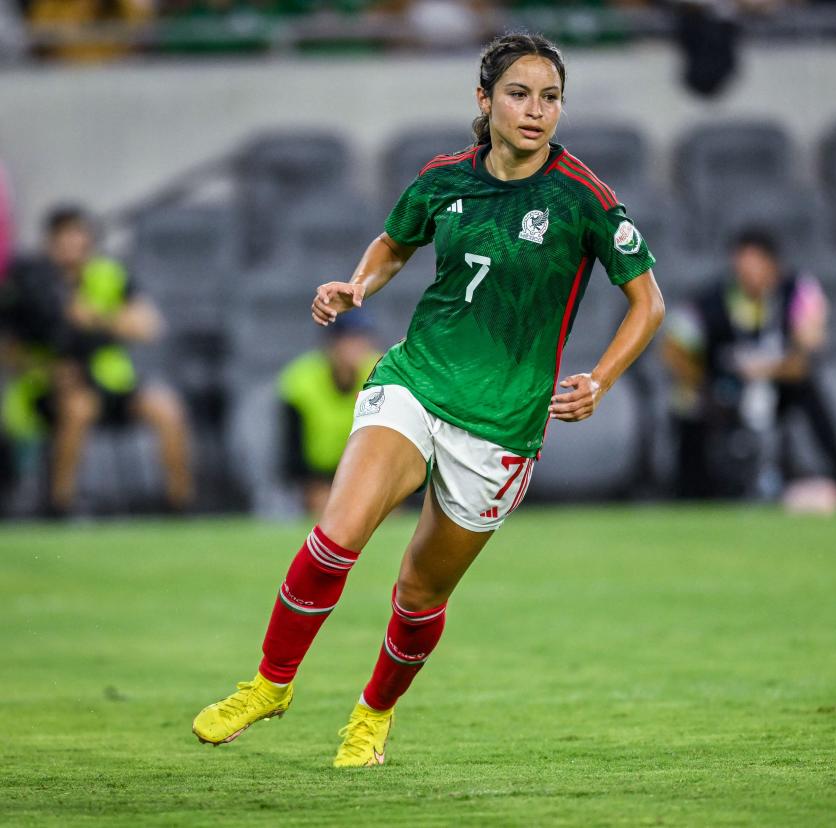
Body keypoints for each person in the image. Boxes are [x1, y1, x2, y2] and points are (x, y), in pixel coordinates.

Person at [191, 32, 664, 768]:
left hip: (503, 423)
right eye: (519, 93)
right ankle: (269, 683)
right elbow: (393, 242)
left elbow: (648, 304)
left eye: (550, 97)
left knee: (418, 593)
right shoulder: (444, 178)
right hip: (416, 381)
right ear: (484, 101)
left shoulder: (585, 199)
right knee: (338, 533)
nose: (535, 111)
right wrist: (358, 286)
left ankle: (372, 716)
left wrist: (600, 378)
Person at [0, 206, 194, 515]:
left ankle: (179, 505)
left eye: (78, 236)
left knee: (166, 406)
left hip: (113, 384)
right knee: (79, 408)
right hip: (51, 388)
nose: (73, 246)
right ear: (50, 243)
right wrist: (48, 370)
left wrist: (94, 317)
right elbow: (9, 350)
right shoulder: (29, 283)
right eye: (64, 238)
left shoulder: (108, 275)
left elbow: (149, 326)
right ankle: (61, 505)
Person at [662, 227, 836, 503]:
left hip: (780, 383)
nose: (748, 275)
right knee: (686, 404)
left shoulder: (798, 291)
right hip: (725, 387)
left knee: (810, 393)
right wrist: (700, 382)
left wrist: (769, 370)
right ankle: (691, 495)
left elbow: (809, 352)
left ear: (773, 264)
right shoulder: (712, 299)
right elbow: (673, 345)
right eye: (741, 266)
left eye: (755, 265)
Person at [277, 311, 379, 517]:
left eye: (360, 338)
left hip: (369, 474)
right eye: (349, 339)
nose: (356, 347)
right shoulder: (301, 381)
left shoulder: (381, 374)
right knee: (328, 513)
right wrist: (311, 486)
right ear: (332, 344)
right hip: (319, 478)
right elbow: (292, 448)